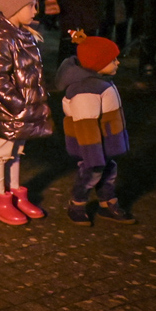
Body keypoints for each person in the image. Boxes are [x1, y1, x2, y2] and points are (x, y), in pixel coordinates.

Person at [0, 0, 53, 226]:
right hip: (9, 109)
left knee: (16, 151)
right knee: (1, 152)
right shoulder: (3, 38)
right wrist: (17, 104)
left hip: (22, 108)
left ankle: (14, 193)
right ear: (15, 7)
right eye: (31, 6)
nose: (36, 10)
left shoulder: (22, 34)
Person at [56, 34, 136, 226]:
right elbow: (86, 125)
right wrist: (92, 154)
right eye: (112, 60)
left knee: (108, 170)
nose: (118, 62)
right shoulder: (86, 89)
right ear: (97, 63)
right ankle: (77, 204)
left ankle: (107, 203)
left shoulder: (99, 81)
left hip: (104, 142)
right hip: (93, 146)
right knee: (91, 172)